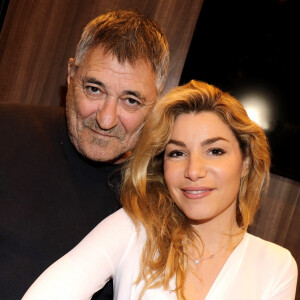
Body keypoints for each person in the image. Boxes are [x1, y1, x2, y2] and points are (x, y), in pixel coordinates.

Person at [22, 80, 298, 299]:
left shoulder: (276, 265)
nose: (193, 171)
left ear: (246, 161)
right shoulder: (133, 229)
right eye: (177, 153)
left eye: (215, 151)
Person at [0, 9, 169, 300]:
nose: (106, 119)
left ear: (156, 101)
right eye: (94, 89)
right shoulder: (5, 131)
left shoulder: (163, 201)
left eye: (130, 100)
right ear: (71, 74)